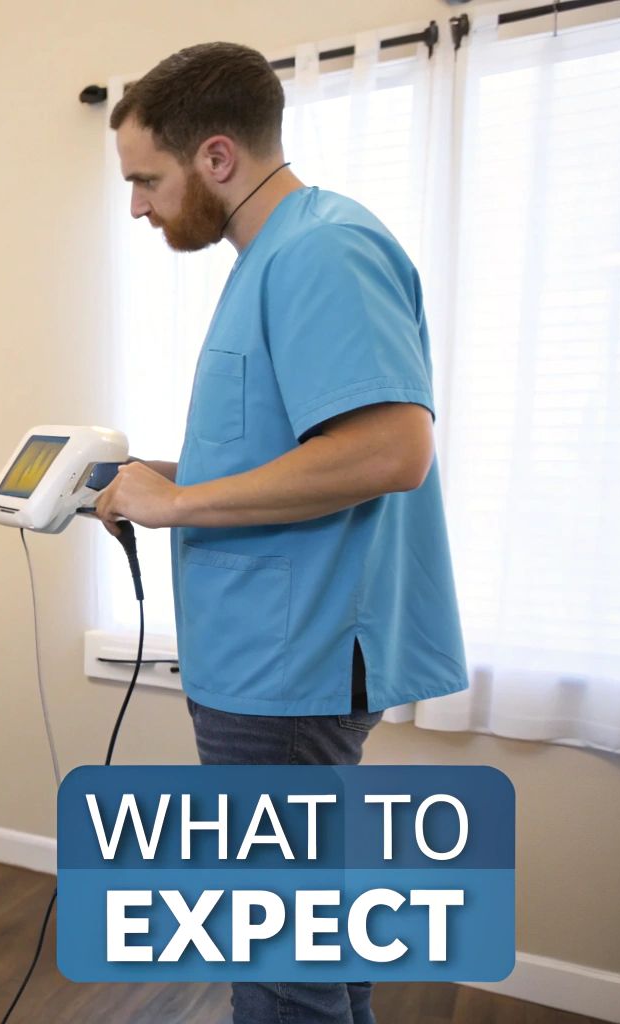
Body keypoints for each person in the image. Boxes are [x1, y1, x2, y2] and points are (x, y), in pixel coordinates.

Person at [94, 42, 469, 1024]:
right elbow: (296, 450)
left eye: (145, 179)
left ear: (215, 158)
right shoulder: (275, 257)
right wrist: (160, 478)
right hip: (267, 657)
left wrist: (174, 506)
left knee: (276, 961)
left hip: (285, 662)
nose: (135, 206)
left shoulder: (319, 249)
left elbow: (390, 447)